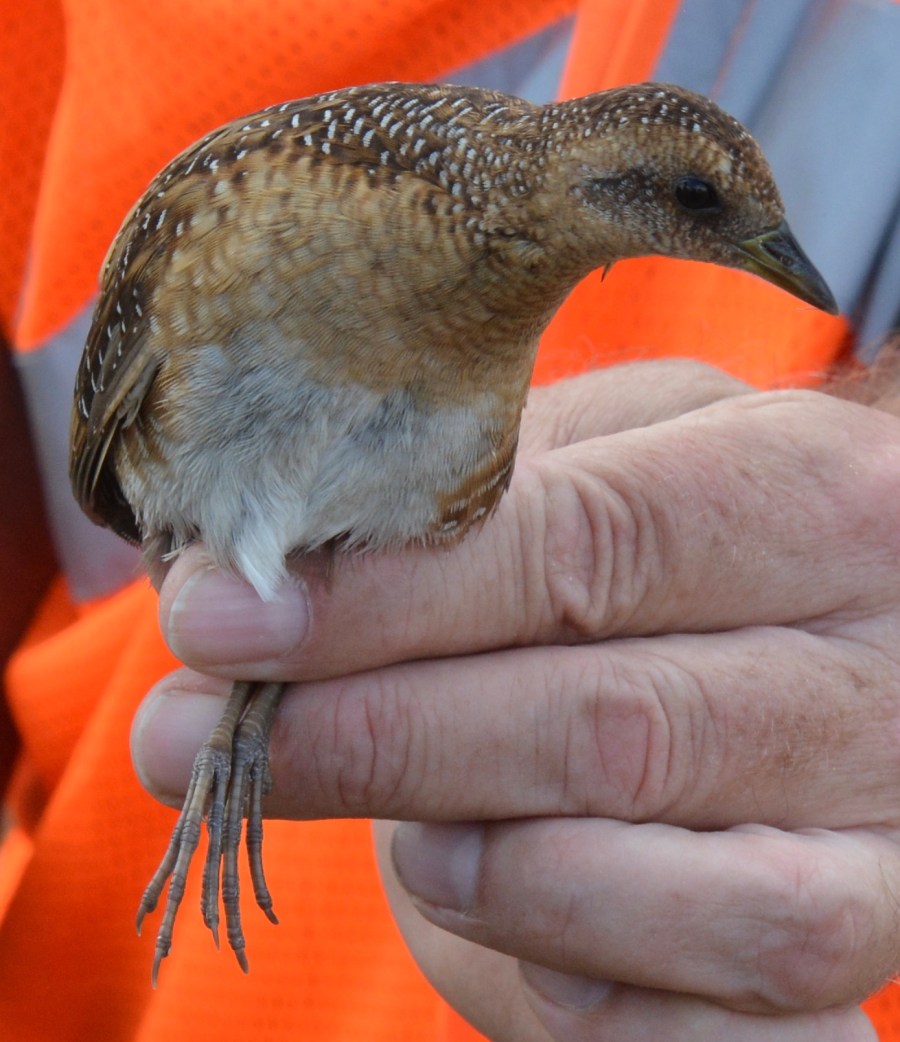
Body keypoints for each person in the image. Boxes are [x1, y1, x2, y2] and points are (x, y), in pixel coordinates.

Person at [2, 2, 900, 1040]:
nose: (752, 248)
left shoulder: (498, 287)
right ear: (608, 191)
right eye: (703, 207)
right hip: (113, 975)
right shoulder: (261, 205)